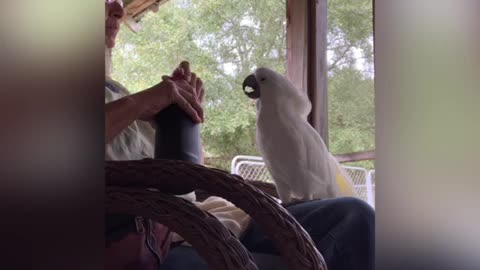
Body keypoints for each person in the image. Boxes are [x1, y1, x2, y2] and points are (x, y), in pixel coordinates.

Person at [105, 1, 374, 270]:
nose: (118, 8)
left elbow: (188, 176)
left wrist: (184, 120)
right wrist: (141, 103)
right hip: (144, 237)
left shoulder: (121, 93)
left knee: (354, 216)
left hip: (206, 218)